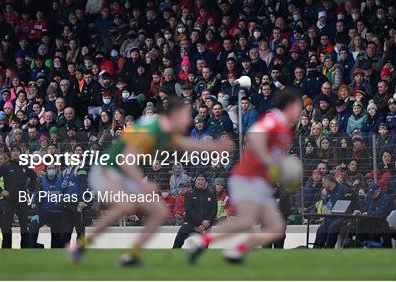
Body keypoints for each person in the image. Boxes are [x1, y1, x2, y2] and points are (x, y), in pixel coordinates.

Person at [68, 96, 232, 266]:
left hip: (123, 172)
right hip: (107, 170)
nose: (189, 119)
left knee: (160, 212)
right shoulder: (152, 129)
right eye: (186, 115)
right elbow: (125, 159)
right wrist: (142, 183)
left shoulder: (164, 129)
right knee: (125, 205)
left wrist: (216, 146)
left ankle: (130, 256)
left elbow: (186, 143)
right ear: (175, 115)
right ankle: (80, 246)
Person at [188, 88, 302, 264]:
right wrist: (270, 163)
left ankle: (230, 250)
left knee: (276, 227)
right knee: (248, 221)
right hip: (248, 177)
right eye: (297, 106)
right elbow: (254, 137)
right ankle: (208, 243)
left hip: (260, 182)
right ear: (289, 107)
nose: (300, 111)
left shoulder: (285, 131)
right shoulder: (275, 121)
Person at [0, 145, 37, 248]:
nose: (16, 153)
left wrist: (29, 188)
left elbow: (34, 177)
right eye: (14, 151)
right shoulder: (5, 166)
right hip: (9, 201)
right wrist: (1, 191)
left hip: (22, 200)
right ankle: (7, 249)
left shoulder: (25, 165)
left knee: (24, 226)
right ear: (11, 153)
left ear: (20, 153)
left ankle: (25, 248)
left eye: (17, 151)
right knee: (7, 227)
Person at [172, 174, 217, 248]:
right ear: (195, 181)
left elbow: (213, 210)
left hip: (205, 226)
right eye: (199, 179)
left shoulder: (211, 194)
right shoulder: (189, 194)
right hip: (190, 224)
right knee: (177, 242)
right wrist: (201, 221)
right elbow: (188, 210)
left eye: (202, 180)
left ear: (206, 182)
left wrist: (205, 224)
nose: (200, 181)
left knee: (204, 249)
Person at [313, 174, 356, 248]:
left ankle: (329, 248)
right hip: (332, 216)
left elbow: (351, 204)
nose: (323, 185)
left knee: (332, 228)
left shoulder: (344, 189)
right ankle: (317, 248)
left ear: (328, 182)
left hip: (344, 216)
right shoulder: (328, 192)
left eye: (323, 183)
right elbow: (327, 205)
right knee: (321, 229)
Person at [29, 165, 64, 248]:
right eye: (49, 168)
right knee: (33, 224)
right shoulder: (41, 180)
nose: (51, 170)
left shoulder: (61, 180)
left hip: (57, 212)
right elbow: (36, 192)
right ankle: (34, 246)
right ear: (46, 170)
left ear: (56, 169)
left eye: (53, 168)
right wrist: (34, 202)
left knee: (56, 240)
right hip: (43, 212)